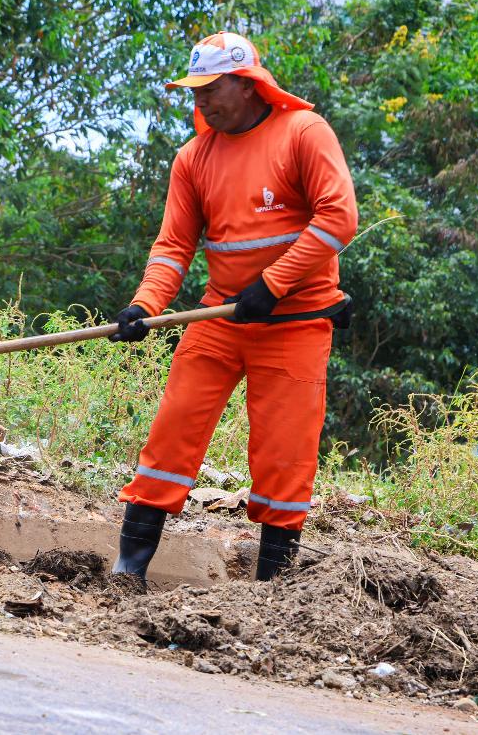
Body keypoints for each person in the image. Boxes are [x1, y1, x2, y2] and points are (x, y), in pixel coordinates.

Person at [109, 31, 358, 582]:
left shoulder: (303, 132)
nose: (200, 101)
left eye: (210, 89)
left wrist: (273, 285)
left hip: (295, 322)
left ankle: (272, 589)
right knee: (172, 431)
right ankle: (127, 574)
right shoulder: (193, 158)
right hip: (221, 317)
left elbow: (339, 218)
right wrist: (144, 304)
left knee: (284, 456)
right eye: (194, 91)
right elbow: (173, 246)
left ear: (246, 85)